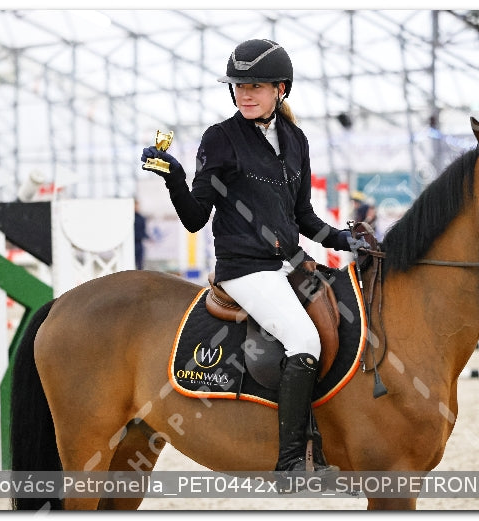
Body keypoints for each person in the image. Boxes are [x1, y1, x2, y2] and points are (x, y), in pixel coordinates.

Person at [141, 38, 360, 473]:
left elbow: (303, 216)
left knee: (344, 324)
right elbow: (194, 218)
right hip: (245, 270)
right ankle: (291, 461)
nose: (244, 93)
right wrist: (175, 179)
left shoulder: (296, 140)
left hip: (291, 264)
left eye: (255, 86)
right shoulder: (220, 139)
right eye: (239, 86)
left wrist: (344, 240)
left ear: (281, 89)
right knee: (304, 341)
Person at [133, 200, 149, 270]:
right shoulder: (129, 217)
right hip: (132, 243)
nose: (136, 207)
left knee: (140, 263)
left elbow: (143, 230)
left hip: (139, 243)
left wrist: (147, 237)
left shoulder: (141, 218)